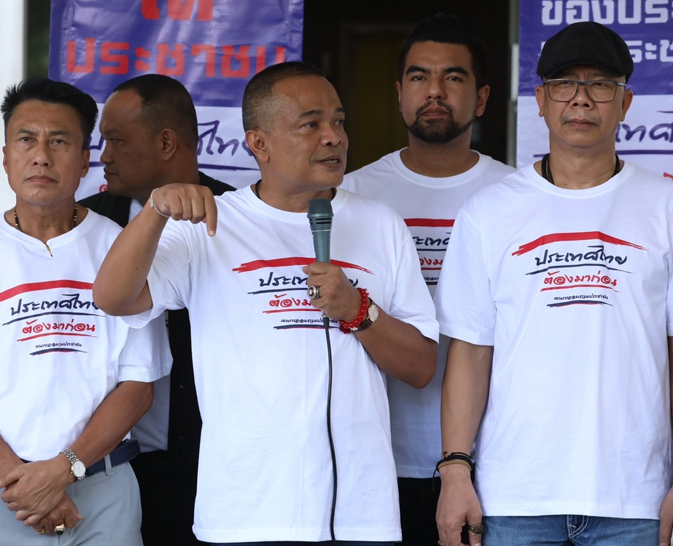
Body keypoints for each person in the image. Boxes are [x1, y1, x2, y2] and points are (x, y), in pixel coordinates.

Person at [93, 61, 439, 545]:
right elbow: (113, 298)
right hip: (245, 513)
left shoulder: (381, 224)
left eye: (339, 121)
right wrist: (155, 211)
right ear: (259, 143)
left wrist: (359, 311)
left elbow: (421, 367)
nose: (334, 137)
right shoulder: (211, 224)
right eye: (311, 124)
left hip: (360, 513)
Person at [435, 21, 673, 546]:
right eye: (565, 84)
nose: (581, 99)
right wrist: (454, 470)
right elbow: (470, 352)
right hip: (513, 499)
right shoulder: (488, 211)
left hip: (634, 498)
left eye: (600, 85)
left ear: (626, 103)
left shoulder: (665, 206)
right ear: (541, 101)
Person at [0, 77, 170, 545]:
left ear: (86, 160)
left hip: (103, 489)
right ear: (5, 155)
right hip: (0, 489)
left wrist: (63, 471)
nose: (41, 156)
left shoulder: (122, 247)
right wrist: (26, 483)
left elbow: (138, 385)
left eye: (60, 141)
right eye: (26, 139)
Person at [342, 14, 514, 545]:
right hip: (374, 457)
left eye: (453, 77)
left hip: (488, 460)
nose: (434, 91)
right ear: (399, 94)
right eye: (419, 76)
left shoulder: (517, 197)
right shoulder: (351, 195)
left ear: (482, 99)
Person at [80, 73, 233, 546]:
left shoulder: (240, 218)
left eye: (116, 140)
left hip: (220, 469)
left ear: (166, 142)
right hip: (105, 470)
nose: (104, 156)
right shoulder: (85, 223)